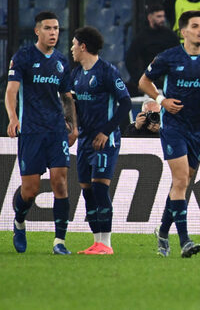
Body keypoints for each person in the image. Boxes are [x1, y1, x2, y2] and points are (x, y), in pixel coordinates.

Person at [138, 10, 200, 257]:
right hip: (174, 127)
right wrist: (161, 100)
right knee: (180, 181)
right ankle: (185, 241)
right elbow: (144, 81)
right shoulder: (168, 57)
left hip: (197, 129)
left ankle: (162, 232)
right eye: (196, 26)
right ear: (184, 32)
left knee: (183, 183)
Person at [5, 11, 77, 255]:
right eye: (48, 28)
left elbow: (67, 96)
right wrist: (13, 118)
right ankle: (19, 222)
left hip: (56, 130)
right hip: (32, 131)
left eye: (56, 28)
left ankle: (59, 242)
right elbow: (11, 92)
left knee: (60, 183)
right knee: (30, 191)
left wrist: (73, 125)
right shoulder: (23, 57)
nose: (53, 33)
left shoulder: (62, 61)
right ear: (37, 31)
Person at [69, 26, 132, 255]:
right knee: (86, 191)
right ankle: (97, 242)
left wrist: (106, 131)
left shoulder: (107, 71)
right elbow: (73, 105)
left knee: (99, 189)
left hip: (105, 140)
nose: (72, 48)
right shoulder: (76, 74)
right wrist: (73, 128)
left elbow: (125, 103)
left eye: (74, 44)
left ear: (83, 46)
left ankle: (107, 243)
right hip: (85, 139)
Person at [125, 4, 179, 95]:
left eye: (163, 16)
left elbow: (180, 57)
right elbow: (130, 60)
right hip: (149, 79)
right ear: (150, 17)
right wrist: (139, 81)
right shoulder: (142, 37)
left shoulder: (171, 36)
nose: (162, 19)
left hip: (168, 80)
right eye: (159, 16)